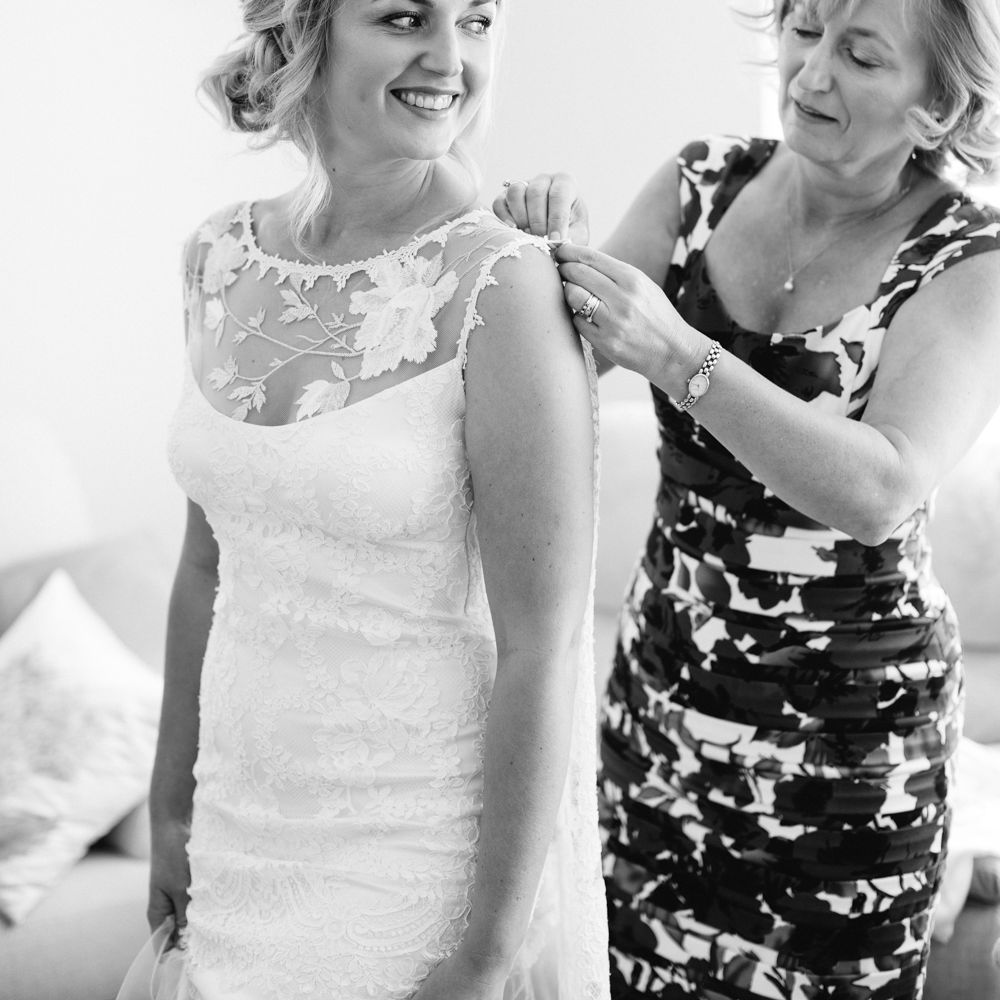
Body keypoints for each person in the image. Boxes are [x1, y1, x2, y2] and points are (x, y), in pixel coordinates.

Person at [496, 0, 1000, 996]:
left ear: (937, 103)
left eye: (859, 54)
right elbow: (556, 374)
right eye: (804, 30)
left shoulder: (966, 254)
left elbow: (882, 485)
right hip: (661, 721)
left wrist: (677, 353)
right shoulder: (698, 183)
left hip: (851, 759)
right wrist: (528, 260)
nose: (810, 74)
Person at [119, 2, 611, 998]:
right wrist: (171, 805)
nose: (448, 58)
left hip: (407, 853)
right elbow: (206, 564)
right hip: (234, 825)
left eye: (474, 20)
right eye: (402, 18)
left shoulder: (506, 286)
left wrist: (484, 953)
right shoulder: (217, 258)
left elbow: (543, 646)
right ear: (310, 30)